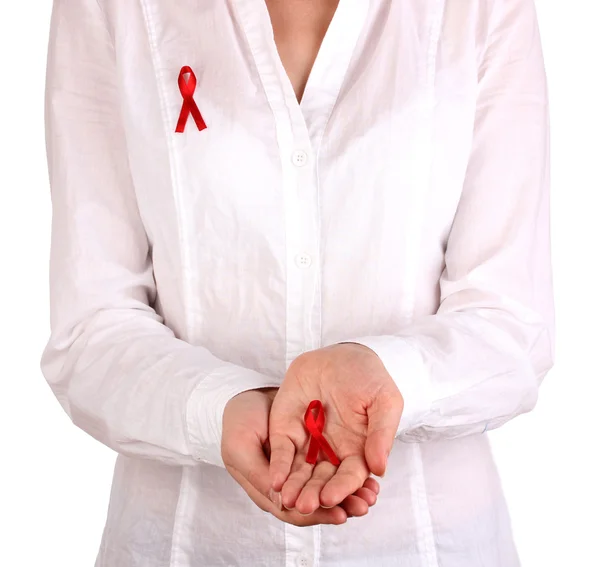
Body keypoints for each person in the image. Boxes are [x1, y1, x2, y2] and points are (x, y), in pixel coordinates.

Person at [41, 0, 554, 565]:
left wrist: (388, 373)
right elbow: (91, 330)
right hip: (183, 545)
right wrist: (220, 407)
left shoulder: (484, 10)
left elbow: (512, 324)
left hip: (431, 545)